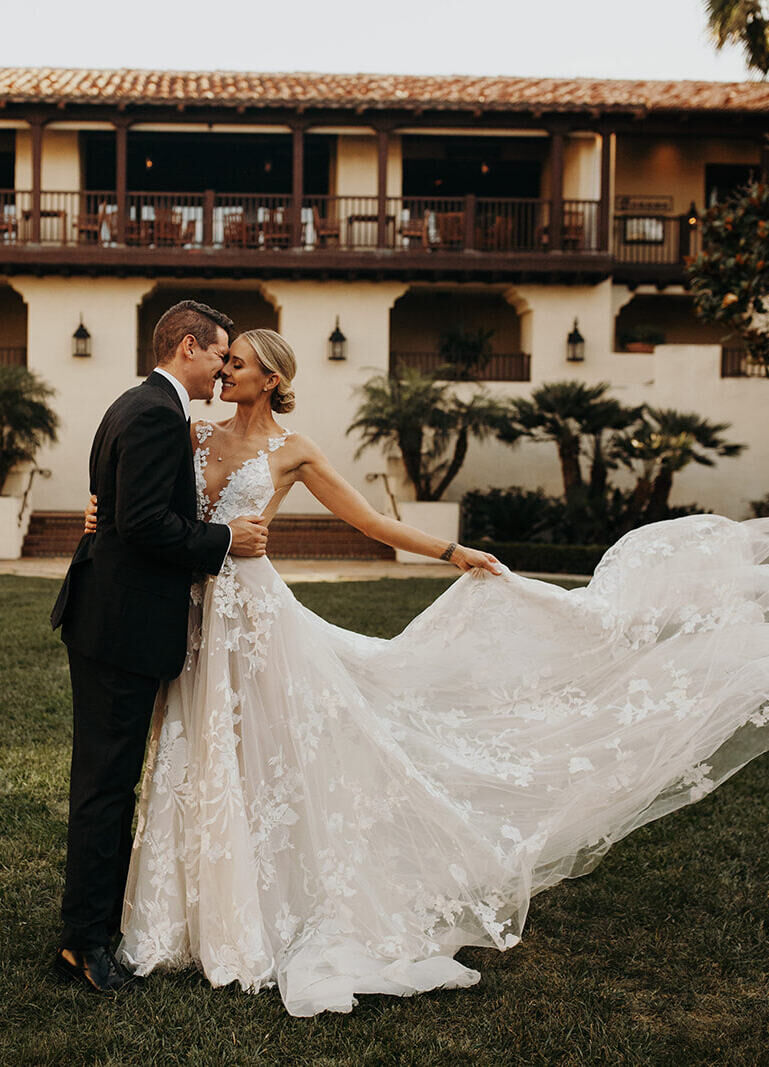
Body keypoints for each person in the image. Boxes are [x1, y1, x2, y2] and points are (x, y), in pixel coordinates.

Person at [87, 328, 769, 1017]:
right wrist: (100, 513)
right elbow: (142, 498)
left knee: (266, 757)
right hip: (190, 611)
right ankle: (185, 912)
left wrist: (451, 549)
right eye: (223, 359)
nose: (224, 370)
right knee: (196, 750)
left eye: (237, 363)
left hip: (256, 618)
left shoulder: (294, 451)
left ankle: (261, 905)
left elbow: (371, 522)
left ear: (270, 379)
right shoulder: (192, 434)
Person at [51, 301, 270, 993]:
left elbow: (114, 504)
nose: (221, 370)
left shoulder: (133, 402)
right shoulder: (154, 412)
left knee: (106, 781)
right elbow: (145, 522)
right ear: (187, 347)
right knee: (106, 786)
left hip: (106, 616)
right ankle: (84, 941)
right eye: (218, 355)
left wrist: (105, 518)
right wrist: (223, 540)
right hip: (120, 627)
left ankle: (94, 924)